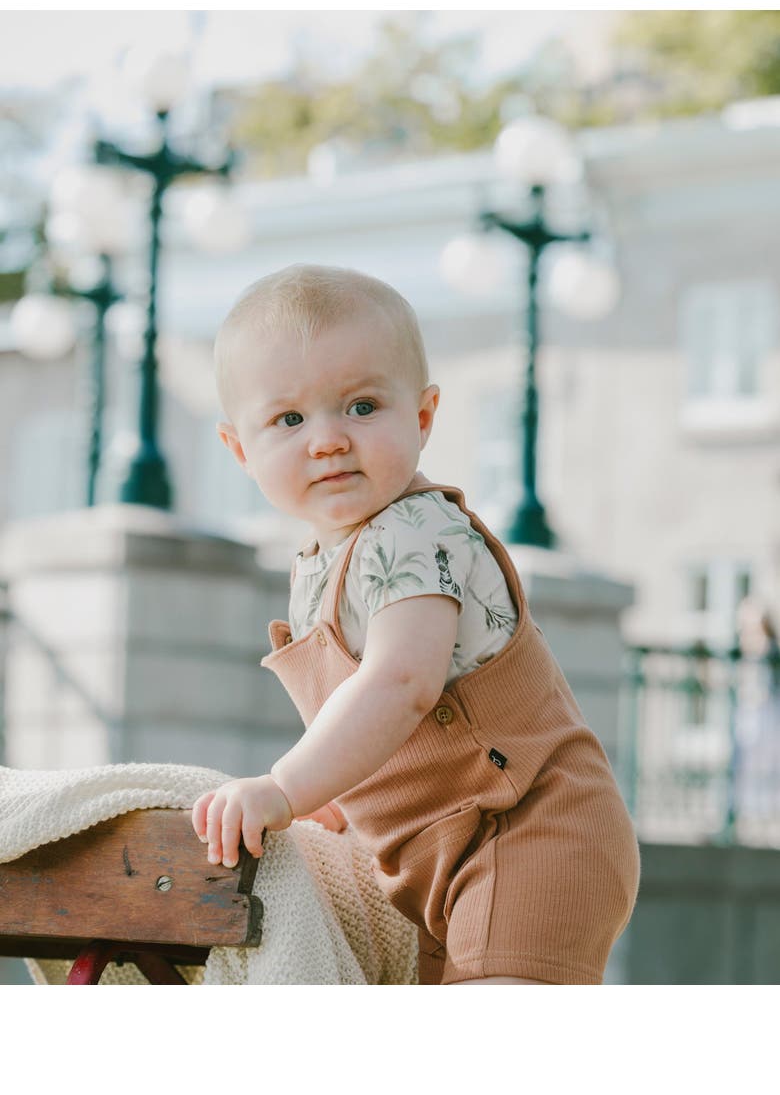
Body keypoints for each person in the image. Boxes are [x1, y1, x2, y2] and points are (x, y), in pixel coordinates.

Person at [191, 263, 640, 985]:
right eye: (290, 419)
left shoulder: (416, 530)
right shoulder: (319, 563)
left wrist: (284, 789)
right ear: (240, 449)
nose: (329, 439)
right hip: (430, 855)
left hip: (526, 828)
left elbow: (400, 684)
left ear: (424, 417)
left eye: (362, 407)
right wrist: (329, 812)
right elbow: (362, 730)